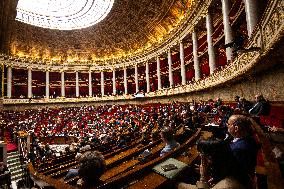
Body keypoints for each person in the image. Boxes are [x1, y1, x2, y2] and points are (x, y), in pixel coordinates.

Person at [177, 139, 254, 189]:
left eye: (204, 156)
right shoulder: (233, 164)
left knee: (179, 185)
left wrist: (203, 176)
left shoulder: (227, 185)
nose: (202, 160)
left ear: (211, 158)